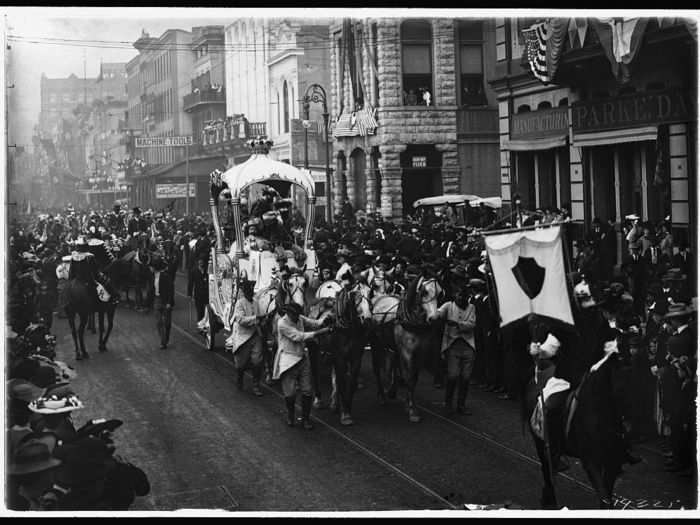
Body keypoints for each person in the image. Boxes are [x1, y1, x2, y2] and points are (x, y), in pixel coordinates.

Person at [273, 302, 333, 429]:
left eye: (297, 314)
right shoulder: (282, 323)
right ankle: (291, 414)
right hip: (288, 361)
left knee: (307, 391)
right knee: (290, 394)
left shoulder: (299, 318)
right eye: (294, 314)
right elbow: (299, 336)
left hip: (302, 359)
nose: (297, 317)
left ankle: (305, 419)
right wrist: (321, 332)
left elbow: (314, 323)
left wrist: (326, 319)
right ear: (288, 313)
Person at [429, 284, 477, 415]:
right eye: (460, 295)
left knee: (466, 377)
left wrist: (456, 324)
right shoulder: (448, 306)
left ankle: (461, 405)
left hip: (468, 347)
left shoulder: (472, 307)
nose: (462, 298)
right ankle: (448, 403)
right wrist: (433, 316)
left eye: (465, 296)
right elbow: (437, 313)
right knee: (453, 375)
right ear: (455, 295)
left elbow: (472, 324)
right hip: (452, 346)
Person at [229, 278, 265, 396]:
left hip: (255, 335)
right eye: (248, 291)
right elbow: (240, 319)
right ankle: (239, 379)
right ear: (245, 292)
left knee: (257, 361)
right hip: (243, 336)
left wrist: (263, 320)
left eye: (252, 290)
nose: (250, 293)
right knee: (241, 364)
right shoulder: (240, 303)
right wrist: (256, 319)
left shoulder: (256, 302)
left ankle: (256, 385)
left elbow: (260, 317)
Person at [151, 256, 174, 349]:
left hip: (165, 301)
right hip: (157, 300)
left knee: (167, 323)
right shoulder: (152, 277)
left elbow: (170, 290)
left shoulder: (166, 276)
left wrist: (169, 302)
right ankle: (163, 341)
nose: (150, 268)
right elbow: (151, 290)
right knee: (159, 322)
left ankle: (165, 338)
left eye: (152, 267)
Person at [187, 257, 209, 323]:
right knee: (199, 311)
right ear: (198, 262)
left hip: (206, 294)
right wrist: (189, 294)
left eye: (202, 261)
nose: (201, 263)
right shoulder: (194, 271)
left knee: (206, 311)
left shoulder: (207, 270)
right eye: (199, 261)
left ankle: (205, 324)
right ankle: (200, 326)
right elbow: (190, 283)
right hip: (198, 294)